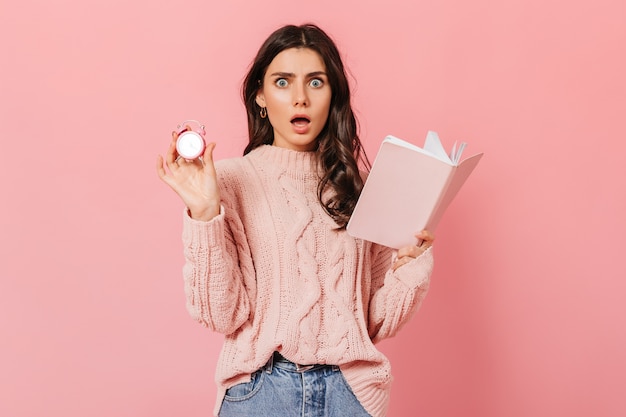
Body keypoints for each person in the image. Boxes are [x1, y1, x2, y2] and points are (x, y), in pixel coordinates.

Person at [156, 23, 434, 417]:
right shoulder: (231, 181)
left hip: (350, 395)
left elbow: (374, 322)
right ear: (261, 97)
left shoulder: (359, 189)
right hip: (261, 392)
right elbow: (219, 314)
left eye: (316, 82)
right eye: (283, 82)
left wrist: (412, 268)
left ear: (333, 94)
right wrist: (204, 214)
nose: (300, 98)